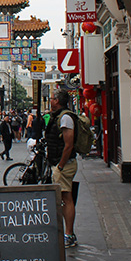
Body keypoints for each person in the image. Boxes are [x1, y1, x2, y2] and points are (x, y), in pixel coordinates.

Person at [46, 91, 78, 248]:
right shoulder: (58, 116)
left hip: (64, 164)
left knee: (66, 199)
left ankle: (69, 234)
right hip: (59, 162)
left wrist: (60, 166)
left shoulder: (65, 118)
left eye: (52, 98)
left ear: (57, 101)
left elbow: (68, 144)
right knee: (65, 198)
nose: (50, 100)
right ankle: (68, 233)